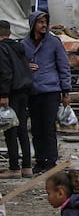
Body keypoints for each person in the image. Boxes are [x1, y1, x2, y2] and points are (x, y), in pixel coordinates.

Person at [22, 11, 71, 174]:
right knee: (36, 128)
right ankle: (40, 160)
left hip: (51, 91)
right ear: (33, 24)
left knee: (49, 127)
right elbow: (18, 64)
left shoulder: (54, 42)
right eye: (40, 22)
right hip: (33, 92)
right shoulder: (24, 44)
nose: (43, 25)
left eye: (45, 22)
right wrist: (26, 67)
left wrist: (66, 92)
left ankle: (51, 160)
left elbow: (63, 66)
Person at [0, 19, 34, 179]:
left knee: (10, 129)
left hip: (11, 94)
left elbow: (5, 73)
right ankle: (27, 167)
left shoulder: (2, 49)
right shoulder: (18, 48)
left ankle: (14, 168)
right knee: (22, 130)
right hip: (24, 91)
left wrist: (4, 95)